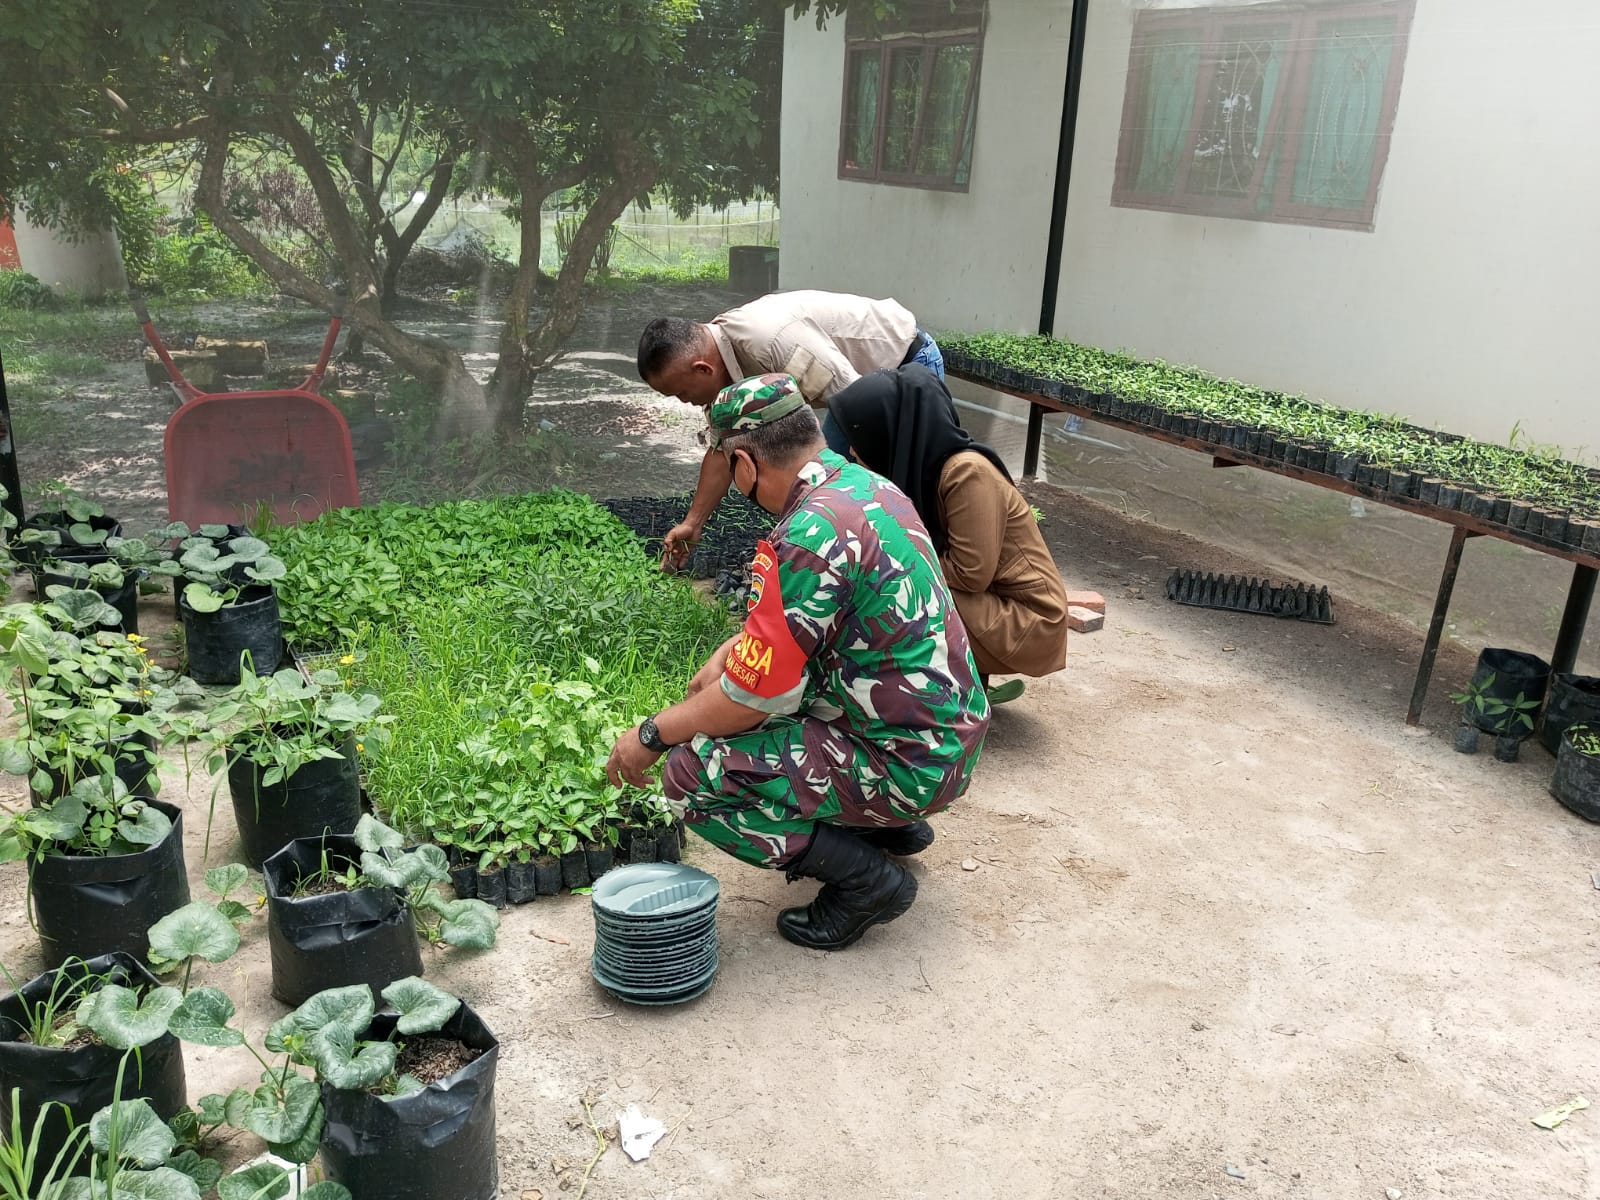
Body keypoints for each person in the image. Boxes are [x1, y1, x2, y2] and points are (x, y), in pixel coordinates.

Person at [604, 372, 989, 951]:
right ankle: (886, 826)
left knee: (691, 774)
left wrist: (652, 734)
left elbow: (746, 700)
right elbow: (801, 626)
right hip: (948, 738)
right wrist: (728, 653)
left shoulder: (809, 534)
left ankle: (868, 882)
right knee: (763, 698)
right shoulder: (867, 490)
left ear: (743, 464)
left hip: (912, 764)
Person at [635, 290, 948, 570]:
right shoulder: (719, 368)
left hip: (902, 367)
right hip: (852, 397)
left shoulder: (772, 343)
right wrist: (693, 523)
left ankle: (920, 574)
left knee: (899, 494)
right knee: (833, 492)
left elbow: (864, 407)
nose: (686, 402)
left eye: (680, 393)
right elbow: (722, 450)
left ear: (703, 369)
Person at [827, 364, 1070, 704]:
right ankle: (955, 680)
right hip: (991, 607)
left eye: (861, 436)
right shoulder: (928, 471)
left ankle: (931, 691)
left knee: (892, 586)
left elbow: (970, 574)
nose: (852, 451)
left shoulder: (967, 473)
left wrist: (881, 564)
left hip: (1029, 621)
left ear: (891, 432)